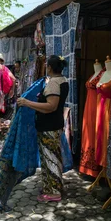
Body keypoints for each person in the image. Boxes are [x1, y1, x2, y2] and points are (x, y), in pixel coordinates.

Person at [17, 55, 69, 203]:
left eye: (47, 65)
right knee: (52, 157)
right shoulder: (63, 81)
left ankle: (53, 192)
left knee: (50, 159)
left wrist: (27, 102)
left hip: (49, 126)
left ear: (50, 68)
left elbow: (51, 106)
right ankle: (54, 186)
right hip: (54, 125)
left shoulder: (53, 83)